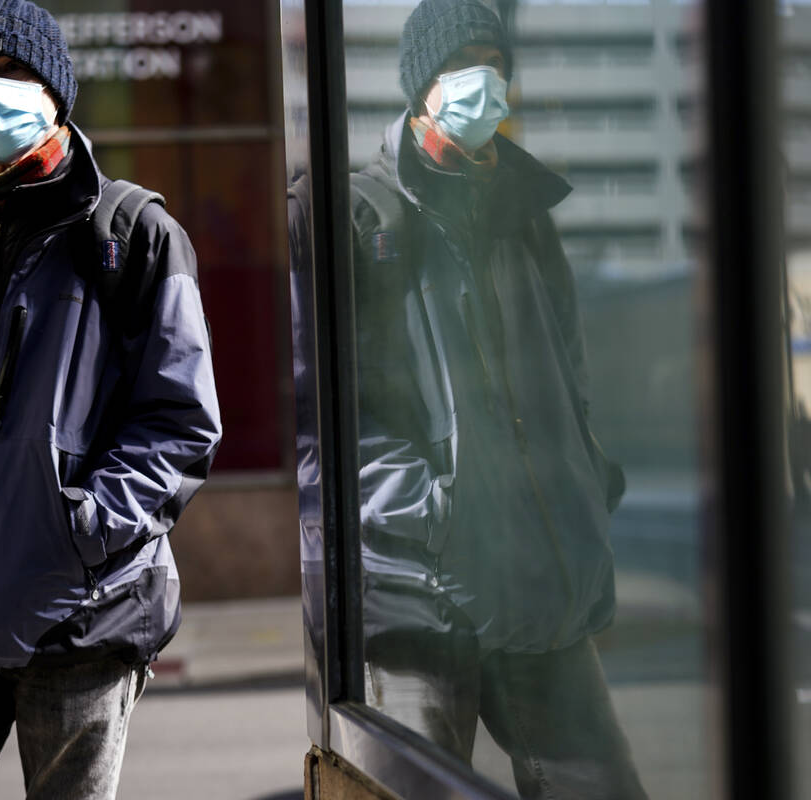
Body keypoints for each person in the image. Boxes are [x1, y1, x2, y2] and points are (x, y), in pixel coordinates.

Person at [0, 1, 221, 797]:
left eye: (12, 74)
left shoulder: (134, 232)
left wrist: (82, 527)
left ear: (55, 93)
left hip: (77, 616)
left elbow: (180, 421)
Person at [337, 0, 647, 797]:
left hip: (541, 582)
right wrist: (433, 511)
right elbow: (340, 414)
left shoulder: (526, 212)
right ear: (420, 86)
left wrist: (586, 477)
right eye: (460, 63)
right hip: (423, 594)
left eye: (494, 62)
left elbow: (569, 370)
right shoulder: (361, 214)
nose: (484, 80)